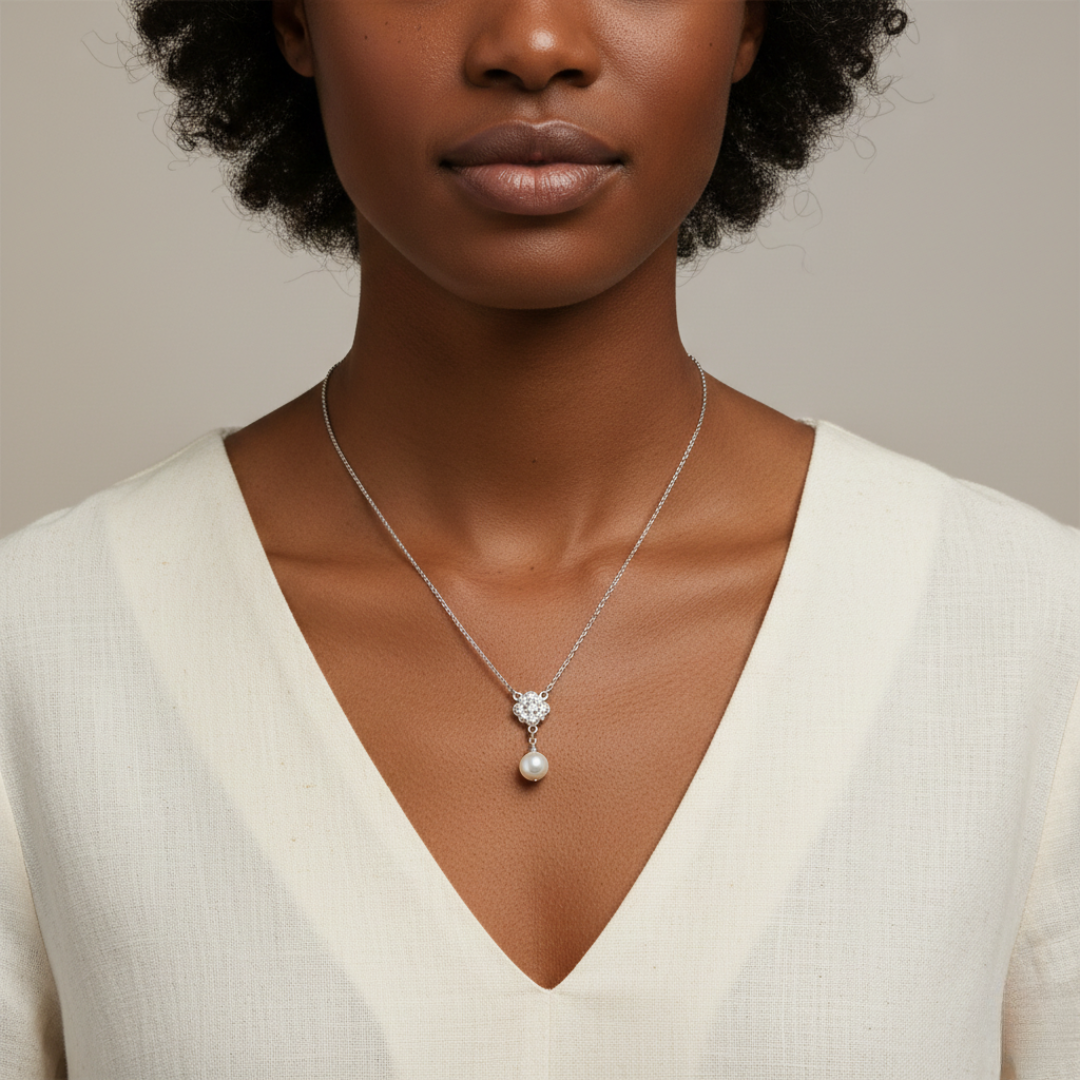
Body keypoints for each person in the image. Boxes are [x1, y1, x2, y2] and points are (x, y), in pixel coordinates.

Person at [1, 1, 1076, 1076]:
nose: (533, 45)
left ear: (751, 22)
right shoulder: (44, 647)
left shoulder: (1028, 631)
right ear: (291, 18)